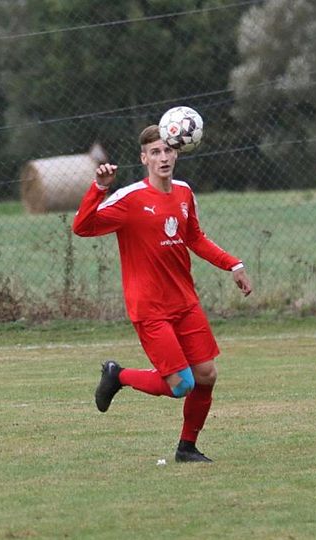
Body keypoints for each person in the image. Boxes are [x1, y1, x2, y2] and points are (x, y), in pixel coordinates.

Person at [72, 124, 253, 463]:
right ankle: (118, 375)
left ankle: (187, 448)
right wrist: (99, 188)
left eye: (168, 150)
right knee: (181, 385)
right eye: (155, 152)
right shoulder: (129, 199)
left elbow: (195, 239)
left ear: (178, 152)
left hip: (184, 302)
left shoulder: (184, 193)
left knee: (206, 375)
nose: (163, 157)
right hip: (150, 308)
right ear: (144, 158)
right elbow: (82, 227)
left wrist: (233, 265)